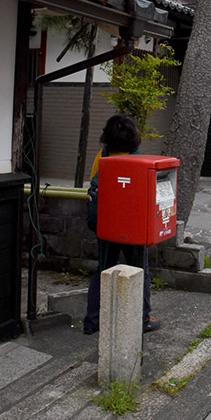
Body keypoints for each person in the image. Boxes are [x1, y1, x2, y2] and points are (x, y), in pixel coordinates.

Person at [83, 113, 160, 335]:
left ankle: (93, 320)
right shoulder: (140, 162)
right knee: (140, 270)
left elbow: (94, 187)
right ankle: (143, 319)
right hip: (133, 227)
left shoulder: (101, 157)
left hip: (106, 224)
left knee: (103, 268)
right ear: (133, 138)